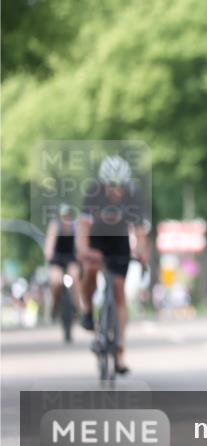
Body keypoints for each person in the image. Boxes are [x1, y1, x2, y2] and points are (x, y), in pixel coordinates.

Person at [77, 155, 149, 374]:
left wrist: (141, 253)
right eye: (111, 185)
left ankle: (119, 353)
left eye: (120, 186)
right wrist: (84, 251)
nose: (116, 190)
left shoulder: (133, 195)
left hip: (119, 242)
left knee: (119, 291)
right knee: (90, 269)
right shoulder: (93, 193)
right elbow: (83, 227)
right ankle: (87, 310)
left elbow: (139, 230)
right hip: (97, 240)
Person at [43, 203, 81, 323]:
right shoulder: (55, 226)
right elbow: (50, 242)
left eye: (68, 215)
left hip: (70, 258)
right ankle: (55, 307)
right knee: (56, 281)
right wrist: (48, 253)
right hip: (57, 259)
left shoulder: (74, 227)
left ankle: (78, 308)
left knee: (75, 276)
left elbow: (79, 243)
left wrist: (80, 255)